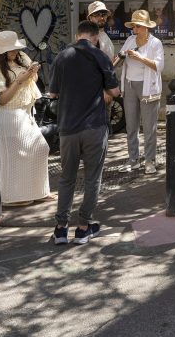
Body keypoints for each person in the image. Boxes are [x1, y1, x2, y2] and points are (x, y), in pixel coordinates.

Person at [48, 20, 121, 245]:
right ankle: (84, 227)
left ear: (77, 35)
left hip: (68, 128)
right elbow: (115, 91)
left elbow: (53, 94)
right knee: (92, 178)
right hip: (94, 127)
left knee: (66, 178)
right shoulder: (100, 56)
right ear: (95, 37)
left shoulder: (62, 56)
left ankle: (61, 228)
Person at [0, 31, 50, 206]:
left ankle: (38, 190)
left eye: (15, 48)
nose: (15, 52)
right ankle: (14, 196)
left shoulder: (22, 60)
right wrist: (20, 80)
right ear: (1, 52)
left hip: (26, 113)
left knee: (40, 148)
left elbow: (33, 82)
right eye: (10, 49)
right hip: (10, 114)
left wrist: (32, 72)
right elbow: (3, 99)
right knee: (17, 155)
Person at [119, 10, 165, 174]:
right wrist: (121, 56)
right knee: (131, 126)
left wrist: (139, 57)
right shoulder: (130, 39)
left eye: (138, 26)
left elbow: (159, 66)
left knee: (149, 127)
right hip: (129, 85)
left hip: (148, 87)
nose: (134, 29)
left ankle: (150, 161)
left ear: (146, 27)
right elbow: (120, 57)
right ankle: (133, 160)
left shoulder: (155, 43)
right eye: (133, 26)